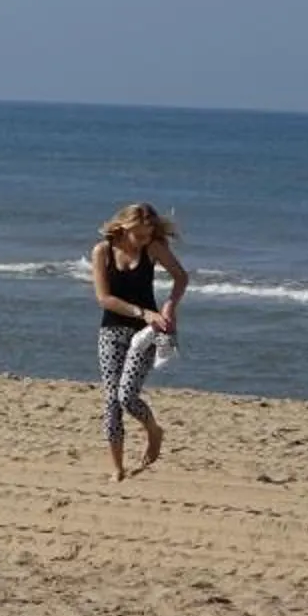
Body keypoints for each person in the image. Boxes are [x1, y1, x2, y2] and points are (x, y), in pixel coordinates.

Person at [91, 202, 189, 480]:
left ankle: (154, 431)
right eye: (141, 235)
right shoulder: (103, 251)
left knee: (127, 396)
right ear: (124, 227)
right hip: (111, 332)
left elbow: (181, 278)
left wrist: (169, 306)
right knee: (111, 401)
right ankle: (117, 468)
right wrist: (142, 312)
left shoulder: (153, 248)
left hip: (145, 336)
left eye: (149, 234)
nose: (145, 239)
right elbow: (104, 298)